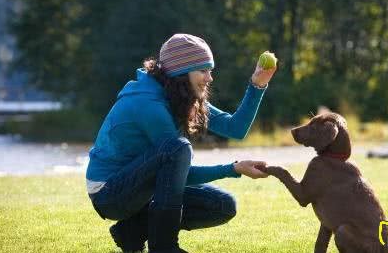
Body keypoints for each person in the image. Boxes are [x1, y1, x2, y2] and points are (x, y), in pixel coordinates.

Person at [86, 33, 277, 253]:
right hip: (110, 193)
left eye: (210, 70)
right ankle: (164, 247)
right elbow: (180, 172)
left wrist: (257, 85)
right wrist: (232, 168)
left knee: (223, 205)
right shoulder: (149, 104)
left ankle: (132, 230)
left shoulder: (178, 95)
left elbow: (235, 128)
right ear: (180, 73)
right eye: (203, 70)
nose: (210, 78)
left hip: (140, 188)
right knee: (178, 148)